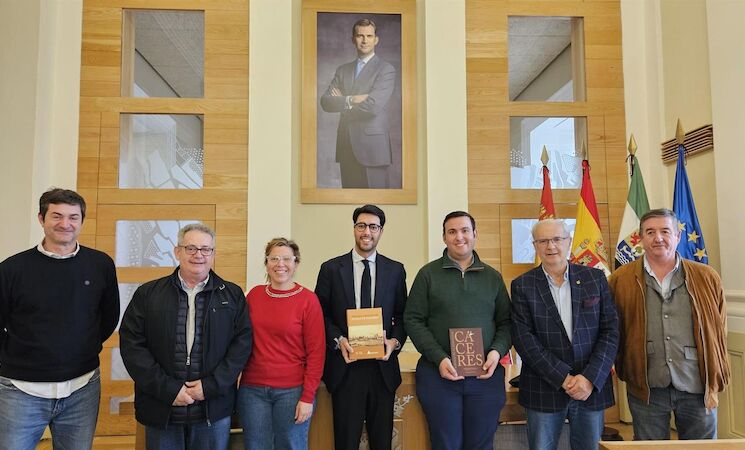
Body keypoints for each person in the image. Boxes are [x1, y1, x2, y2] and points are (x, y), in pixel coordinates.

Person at [0, 188, 120, 450]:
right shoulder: (11, 269)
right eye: (56, 216)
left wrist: (80, 348)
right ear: (41, 219)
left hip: (82, 388)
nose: (65, 224)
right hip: (21, 390)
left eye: (73, 217)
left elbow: (108, 317)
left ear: (81, 221)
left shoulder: (101, 265)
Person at [119, 223, 251, 449]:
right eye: (191, 248)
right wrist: (169, 390)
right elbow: (132, 346)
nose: (198, 255)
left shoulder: (232, 295)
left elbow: (241, 347)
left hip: (213, 408)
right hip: (162, 406)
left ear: (213, 254)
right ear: (177, 251)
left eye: (205, 249)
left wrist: (210, 386)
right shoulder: (148, 293)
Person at [609, 208, 730, 440]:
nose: (658, 238)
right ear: (641, 238)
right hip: (646, 386)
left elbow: (719, 329)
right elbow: (613, 331)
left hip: (698, 384)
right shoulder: (620, 280)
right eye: (650, 232)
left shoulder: (707, 277)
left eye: (665, 231)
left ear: (677, 236)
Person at [404, 211, 511, 450]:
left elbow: (506, 322)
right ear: (444, 237)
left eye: (465, 230)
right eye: (452, 232)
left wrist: (496, 352)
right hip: (439, 377)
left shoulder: (493, 278)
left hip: (485, 378)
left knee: (481, 445)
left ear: (475, 234)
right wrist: (439, 358)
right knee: (445, 444)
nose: (459, 237)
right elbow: (413, 320)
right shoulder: (428, 275)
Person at [511, 219, 619, 450]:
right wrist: (563, 378)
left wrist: (589, 378)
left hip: (589, 387)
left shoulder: (594, 278)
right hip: (544, 388)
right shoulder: (522, 285)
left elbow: (610, 331)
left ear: (568, 241)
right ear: (535, 245)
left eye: (557, 239)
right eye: (543, 241)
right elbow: (524, 339)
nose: (551, 246)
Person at [315, 204, 407, 450]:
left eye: (373, 227)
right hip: (346, 368)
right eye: (361, 226)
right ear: (354, 229)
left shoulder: (395, 270)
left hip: (382, 368)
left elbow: (403, 315)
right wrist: (338, 339)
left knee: (382, 442)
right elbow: (320, 314)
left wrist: (394, 342)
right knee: (345, 442)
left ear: (381, 231)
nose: (367, 232)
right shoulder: (331, 269)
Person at [237, 238, 325, 450]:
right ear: (266, 263)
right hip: (252, 390)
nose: (280, 264)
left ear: (296, 263)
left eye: (286, 259)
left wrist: (307, 397)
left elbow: (316, 353)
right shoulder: (254, 295)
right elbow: (239, 340)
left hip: (292, 392)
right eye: (274, 258)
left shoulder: (308, 300)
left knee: (290, 445)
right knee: (255, 446)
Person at [320, 18, 396, 189]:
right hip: (346, 147)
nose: (364, 40)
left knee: (375, 203)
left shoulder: (386, 69)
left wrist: (342, 102)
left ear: (376, 39)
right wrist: (352, 99)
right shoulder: (342, 70)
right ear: (353, 39)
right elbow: (325, 102)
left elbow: (373, 106)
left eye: (369, 36)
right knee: (351, 203)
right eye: (360, 35)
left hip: (373, 151)